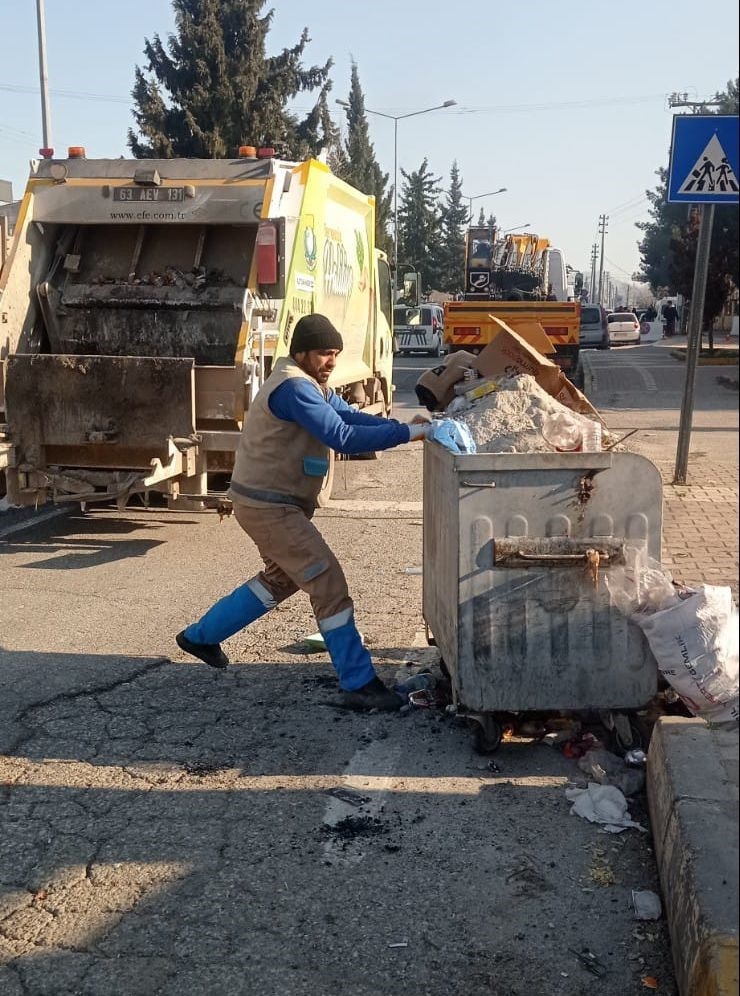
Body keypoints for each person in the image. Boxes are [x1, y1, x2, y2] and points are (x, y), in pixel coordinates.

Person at [176, 314, 433, 712]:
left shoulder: (307, 381)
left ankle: (200, 637)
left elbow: (346, 416)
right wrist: (409, 434)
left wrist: (399, 424)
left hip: (266, 501)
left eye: (335, 354)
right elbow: (341, 436)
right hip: (270, 506)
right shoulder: (295, 387)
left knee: (281, 580)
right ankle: (359, 682)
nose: (331, 361)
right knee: (327, 582)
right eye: (323, 354)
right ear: (302, 352)